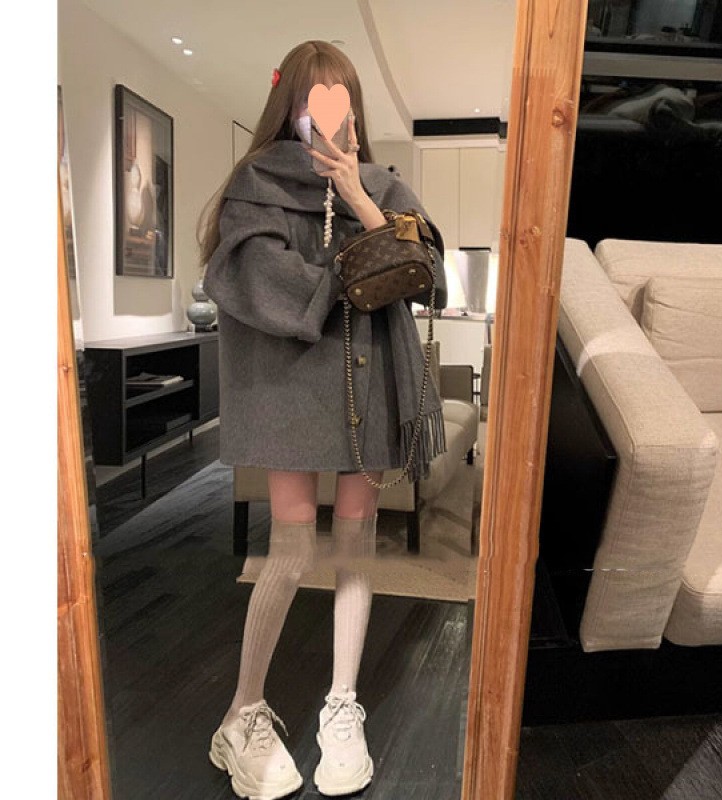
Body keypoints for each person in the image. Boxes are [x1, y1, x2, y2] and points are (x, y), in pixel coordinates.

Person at [197, 40, 448, 799]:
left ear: (355, 109)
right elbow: (257, 278)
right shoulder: (257, 182)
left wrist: (363, 201)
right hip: (292, 384)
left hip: (371, 381)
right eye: (315, 99)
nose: (328, 114)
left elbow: (426, 276)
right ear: (290, 107)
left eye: (341, 98)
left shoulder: (386, 184)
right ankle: (242, 711)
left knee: (355, 546)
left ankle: (343, 704)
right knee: (292, 547)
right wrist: (357, 269)